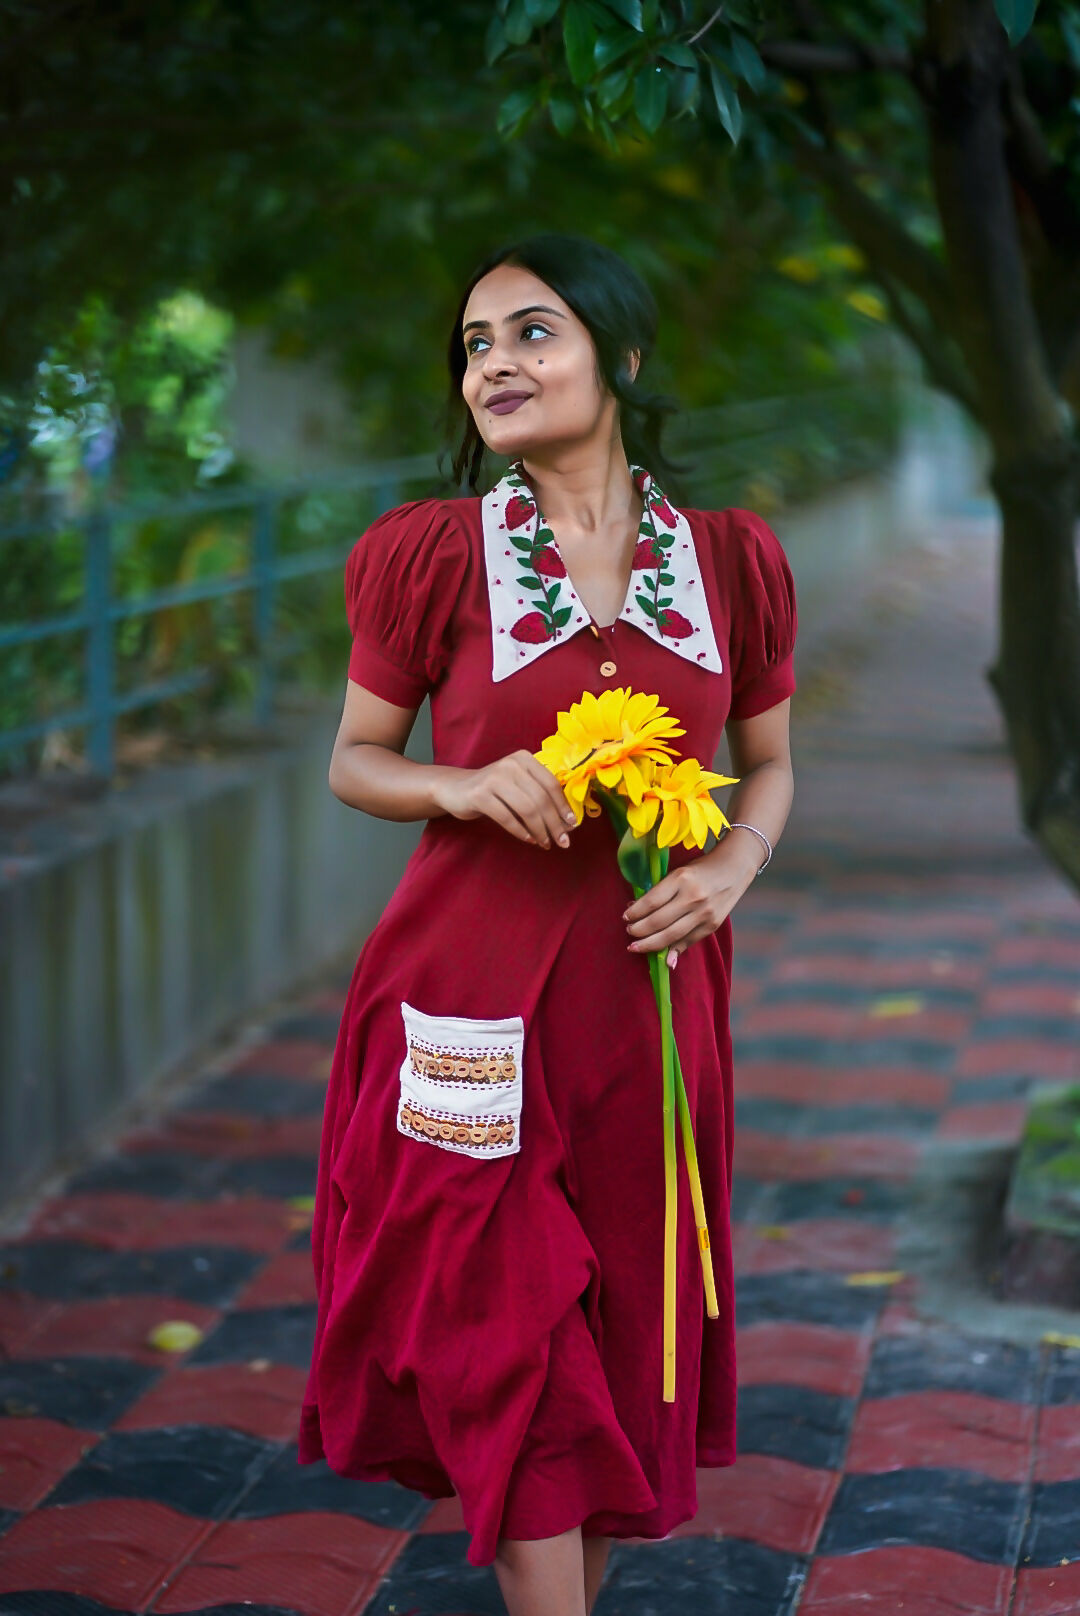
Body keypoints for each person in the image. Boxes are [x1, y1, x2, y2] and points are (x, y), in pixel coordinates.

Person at [299, 232, 797, 1616]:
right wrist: (461, 781)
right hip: (462, 1005)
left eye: (533, 332)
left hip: (645, 1016)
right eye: (475, 346)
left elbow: (771, 763)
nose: (496, 366)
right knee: (508, 1332)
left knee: (613, 1344)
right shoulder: (433, 556)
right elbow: (355, 757)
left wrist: (734, 866)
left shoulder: (734, 563)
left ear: (622, 357)